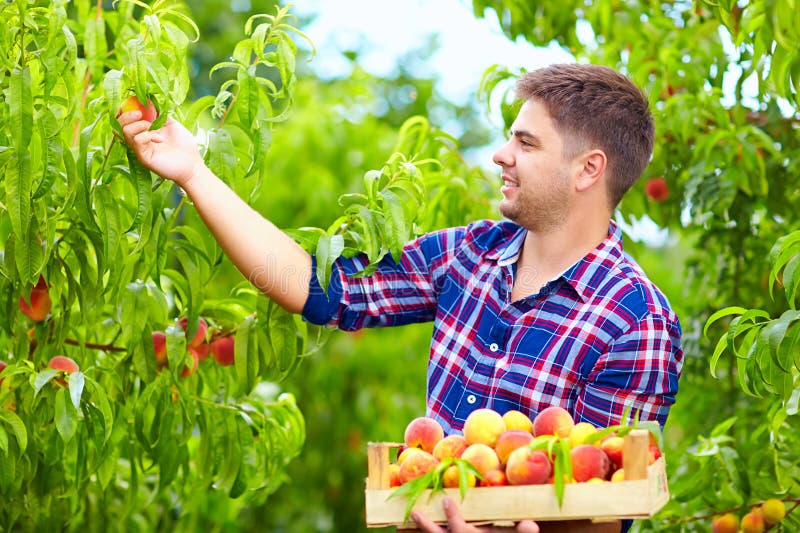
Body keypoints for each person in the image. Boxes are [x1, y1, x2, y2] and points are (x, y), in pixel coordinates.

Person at [119, 63, 683, 533]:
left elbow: (608, 506)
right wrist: (194, 173)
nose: (500, 155)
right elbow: (319, 289)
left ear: (588, 169)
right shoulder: (468, 255)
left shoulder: (638, 320)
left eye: (525, 142)